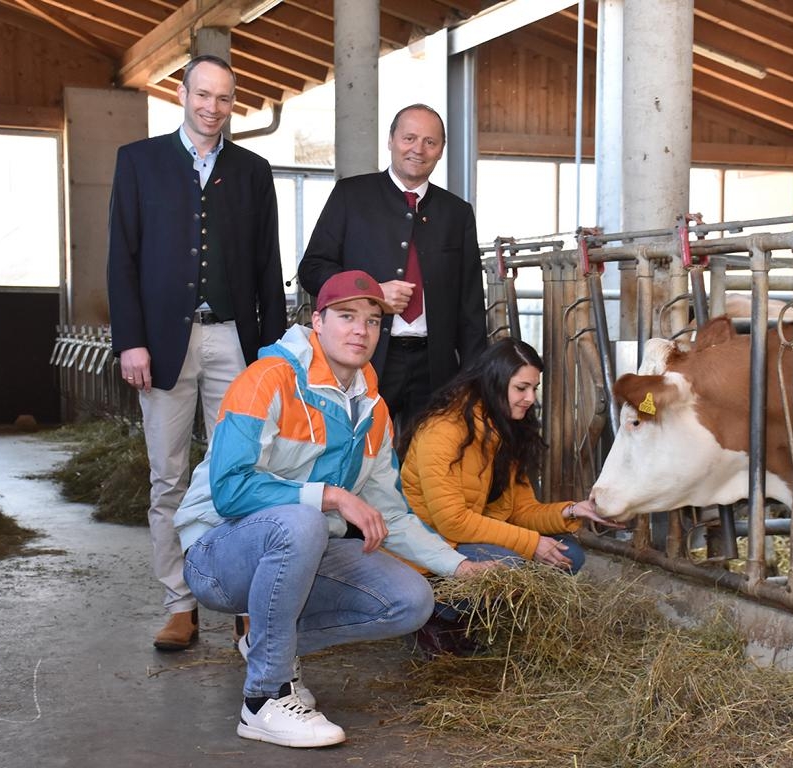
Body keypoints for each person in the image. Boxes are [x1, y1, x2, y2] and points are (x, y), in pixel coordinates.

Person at [173, 270, 489, 748]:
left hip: (302, 548)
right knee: (302, 520)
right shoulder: (265, 380)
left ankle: (267, 649)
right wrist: (331, 496)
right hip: (218, 555)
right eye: (346, 316)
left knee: (410, 601)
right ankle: (264, 698)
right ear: (317, 321)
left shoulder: (373, 410)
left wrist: (459, 565)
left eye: (372, 320)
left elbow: (392, 515)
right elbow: (230, 491)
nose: (360, 330)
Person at [107, 54, 286, 651]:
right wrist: (130, 340)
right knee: (168, 477)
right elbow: (121, 259)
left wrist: (272, 354)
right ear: (182, 94)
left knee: (242, 474)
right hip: (162, 343)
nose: (212, 108)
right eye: (202, 95)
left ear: (234, 103)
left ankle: (241, 601)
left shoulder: (254, 172)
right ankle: (179, 603)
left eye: (224, 98)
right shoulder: (138, 162)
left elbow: (268, 266)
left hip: (235, 340)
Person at [398, 337, 621, 653]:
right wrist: (532, 544)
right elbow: (452, 522)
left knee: (569, 555)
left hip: (472, 538)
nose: (531, 398)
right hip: (433, 543)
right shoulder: (443, 430)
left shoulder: (506, 428)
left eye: (534, 388)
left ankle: (474, 618)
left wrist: (572, 511)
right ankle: (437, 615)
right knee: (511, 564)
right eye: (521, 388)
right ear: (494, 382)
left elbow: (520, 511)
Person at [297, 103, 487, 439]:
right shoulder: (351, 195)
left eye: (430, 142)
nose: (418, 149)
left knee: (430, 464)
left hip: (436, 365)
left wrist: (474, 381)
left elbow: (470, 305)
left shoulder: (457, 213)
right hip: (364, 357)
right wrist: (371, 291)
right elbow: (312, 269)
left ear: (441, 150)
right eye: (409, 138)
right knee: (358, 453)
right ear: (390, 140)